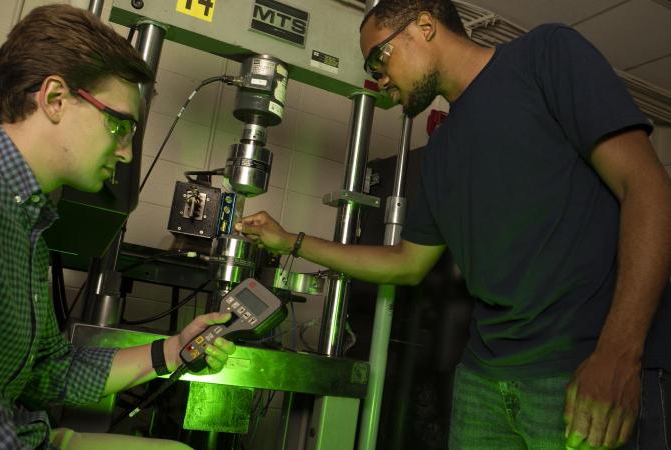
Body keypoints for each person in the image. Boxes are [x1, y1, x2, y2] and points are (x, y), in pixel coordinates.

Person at [236, 0, 671, 449]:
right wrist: (291, 241)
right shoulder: (442, 151)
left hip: (581, 372)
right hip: (484, 380)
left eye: (378, 58)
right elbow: (407, 263)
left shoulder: (544, 56)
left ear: (425, 27)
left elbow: (648, 188)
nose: (378, 79)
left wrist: (619, 355)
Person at [0, 4, 234, 450]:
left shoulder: (25, 220)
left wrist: (172, 350)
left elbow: (49, 373)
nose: (125, 152)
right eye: (119, 124)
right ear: (54, 99)